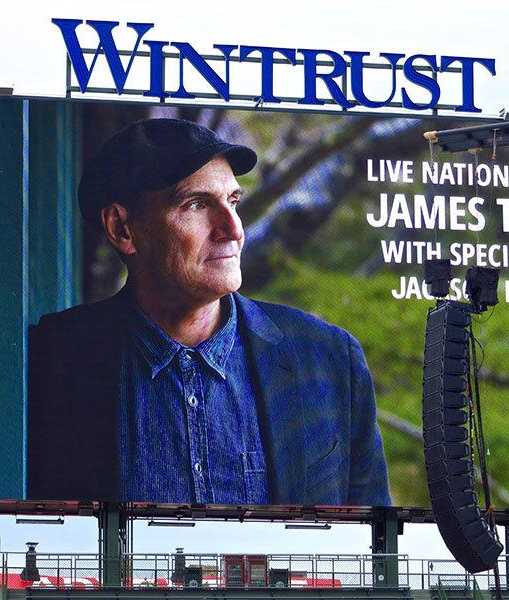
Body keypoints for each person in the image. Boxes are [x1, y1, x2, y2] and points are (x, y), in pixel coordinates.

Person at [27, 118, 391, 506]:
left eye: (232, 201)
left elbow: (374, 551)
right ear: (122, 229)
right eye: (197, 204)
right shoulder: (50, 360)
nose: (232, 229)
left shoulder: (330, 360)